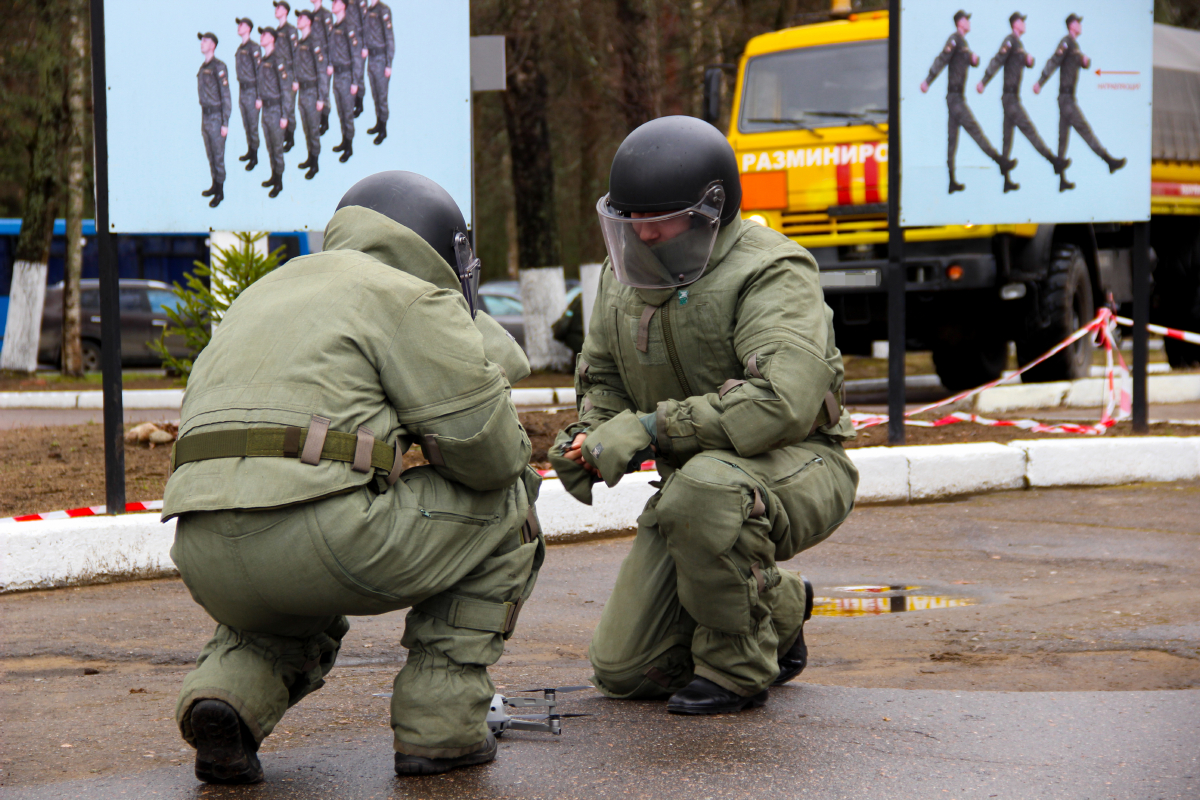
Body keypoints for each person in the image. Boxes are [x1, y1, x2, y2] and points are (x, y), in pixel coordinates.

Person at [165, 170, 543, 784]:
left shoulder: (265, 291)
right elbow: (492, 456)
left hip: (203, 550)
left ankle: (228, 699)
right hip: (323, 539)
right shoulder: (408, 295)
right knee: (512, 503)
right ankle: (440, 727)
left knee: (285, 594)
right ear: (442, 253)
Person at [550, 116, 858, 715]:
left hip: (799, 463)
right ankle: (780, 605)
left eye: (657, 221)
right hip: (697, 483)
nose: (642, 235)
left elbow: (782, 402)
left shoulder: (773, 271)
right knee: (625, 671)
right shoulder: (622, 276)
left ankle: (738, 668)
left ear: (710, 210)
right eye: (630, 221)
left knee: (704, 491)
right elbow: (606, 378)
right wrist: (587, 435)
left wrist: (648, 430)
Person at [920, 10, 1017, 193]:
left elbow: (970, 60)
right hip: (955, 99)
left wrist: (975, 59)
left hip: (956, 97)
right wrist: (928, 80)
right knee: (975, 131)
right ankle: (1001, 161)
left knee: (952, 140)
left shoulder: (963, 43)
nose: (969, 22)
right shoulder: (955, 40)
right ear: (960, 22)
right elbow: (942, 59)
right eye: (967, 19)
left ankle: (951, 182)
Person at [977, 12, 1070, 192]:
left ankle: (1006, 182)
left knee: (1007, 139)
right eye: (1022, 21)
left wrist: (1030, 60)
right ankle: (1054, 161)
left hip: (1011, 97)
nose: (1025, 23)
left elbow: (1026, 61)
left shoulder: (1019, 44)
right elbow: (997, 60)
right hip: (1010, 99)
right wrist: (984, 81)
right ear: (1015, 24)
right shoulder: (1010, 41)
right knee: (1029, 130)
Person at [1033, 13, 1126, 192]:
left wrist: (1085, 61)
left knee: (1063, 139)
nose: (1080, 25)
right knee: (1085, 130)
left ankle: (1061, 180)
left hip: (1066, 98)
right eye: (1078, 23)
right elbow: (1054, 61)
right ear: (1071, 25)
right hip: (1066, 99)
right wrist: (1040, 82)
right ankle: (1108, 160)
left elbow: (1082, 62)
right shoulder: (1066, 42)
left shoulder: (1074, 45)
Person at [196, 32, 231, 208]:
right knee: (210, 154)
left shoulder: (219, 67)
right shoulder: (203, 68)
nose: (202, 43)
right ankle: (214, 184)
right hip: (206, 116)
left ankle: (220, 191)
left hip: (217, 117)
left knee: (218, 155)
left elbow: (226, 96)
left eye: (206, 40)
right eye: (201, 40)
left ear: (213, 45)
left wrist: (225, 122)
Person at [255, 26, 290, 197]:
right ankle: (273, 175)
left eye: (265, 35)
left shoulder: (278, 59)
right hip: (266, 110)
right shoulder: (263, 59)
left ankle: (279, 181)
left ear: (273, 39)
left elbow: (285, 89)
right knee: (269, 145)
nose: (262, 37)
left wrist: (285, 115)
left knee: (277, 147)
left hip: (276, 110)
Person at [294, 10, 328, 179]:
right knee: (307, 127)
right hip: (303, 91)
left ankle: (315, 163)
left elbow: (322, 71)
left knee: (313, 128)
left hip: (313, 91)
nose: (298, 20)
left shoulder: (315, 42)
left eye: (302, 17)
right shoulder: (300, 43)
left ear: (309, 22)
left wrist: (322, 97)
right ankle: (310, 156)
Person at [329, 0, 362, 162]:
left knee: (347, 112)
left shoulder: (349, 26)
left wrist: (355, 81)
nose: (333, 4)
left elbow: (356, 56)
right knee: (341, 110)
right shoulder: (335, 27)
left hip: (347, 75)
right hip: (337, 75)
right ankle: (344, 140)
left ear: (343, 5)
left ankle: (349, 147)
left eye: (336, 2)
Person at [362, 0, 394, 145]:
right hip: (372, 59)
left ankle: (384, 129)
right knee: (375, 93)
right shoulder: (368, 11)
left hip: (381, 59)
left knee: (382, 95)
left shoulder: (383, 10)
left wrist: (388, 63)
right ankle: (378, 122)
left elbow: (389, 38)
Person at [272, 1, 301, 153]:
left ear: (286, 11)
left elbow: (296, 55)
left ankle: (290, 137)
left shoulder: (290, 31)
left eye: (279, 7)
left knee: (288, 107)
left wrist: (296, 78)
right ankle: (284, 135)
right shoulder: (276, 32)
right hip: (278, 76)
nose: (276, 10)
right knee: (281, 106)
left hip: (289, 75)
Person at [234, 18, 261, 172]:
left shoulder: (254, 48)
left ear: (249, 28)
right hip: (243, 91)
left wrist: (258, 96)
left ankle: (255, 156)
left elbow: (259, 73)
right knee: (246, 124)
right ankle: (250, 150)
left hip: (252, 91)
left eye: (242, 25)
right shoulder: (240, 49)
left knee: (253, 124)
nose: (239, 27)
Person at [309, 0, 336, 135]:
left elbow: (331, 39)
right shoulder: (310, 15)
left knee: (323, 89)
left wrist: (330, 62)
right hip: (312, 60)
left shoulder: (326, 15)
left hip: (323, 59)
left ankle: (325, 121)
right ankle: (318, 118)